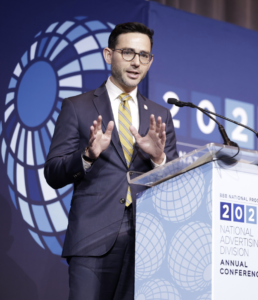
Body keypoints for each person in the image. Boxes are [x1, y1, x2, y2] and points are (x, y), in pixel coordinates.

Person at [44, 22, 178, 300]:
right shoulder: (77, 107)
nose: (136, 62)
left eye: (144, 55)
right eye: (128, 52)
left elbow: (176, 187)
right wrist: (87, 156)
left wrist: (159, 159)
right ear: (108, 55)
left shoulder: (159, 115)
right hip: (92, 239)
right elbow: (53, 173)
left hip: (148, 243)